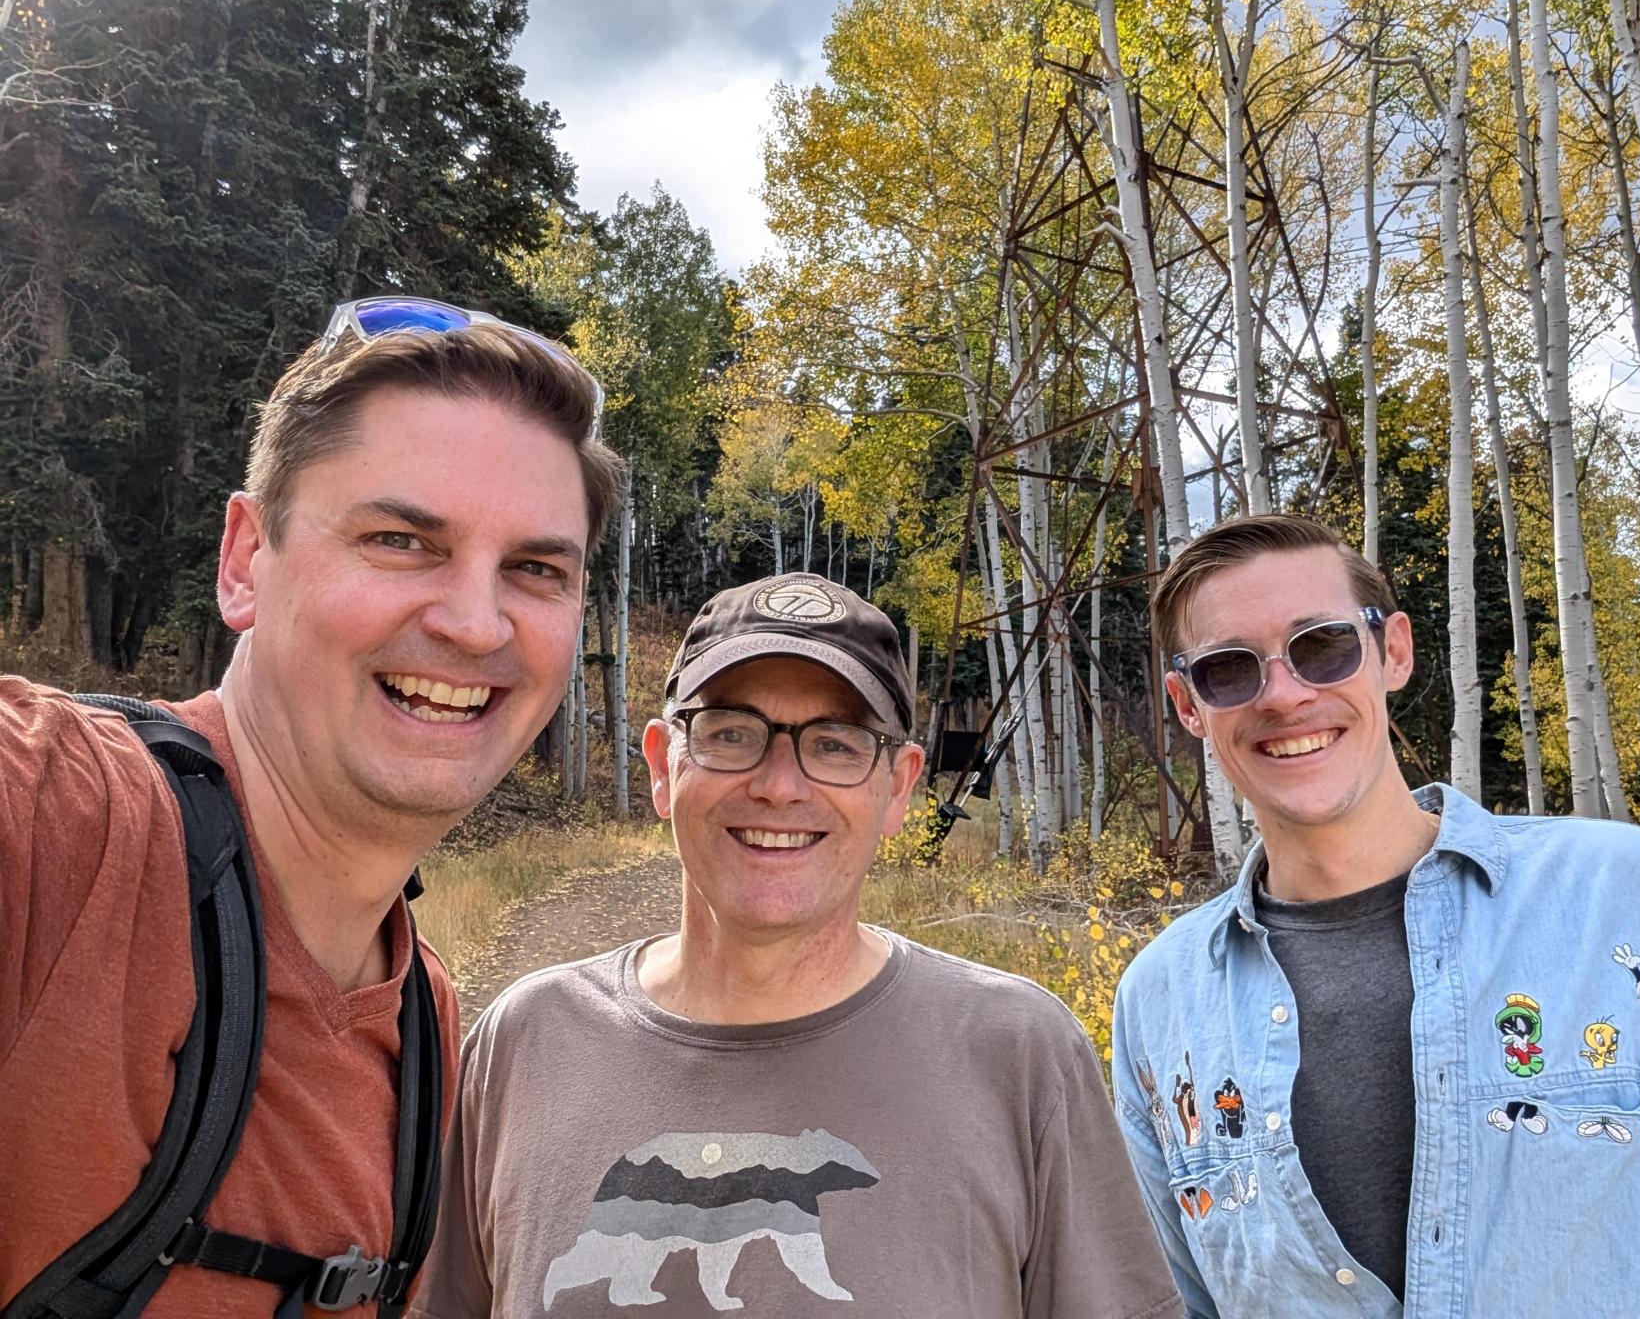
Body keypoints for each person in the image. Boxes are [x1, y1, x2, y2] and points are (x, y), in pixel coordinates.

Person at [1, 296, 625, 1316]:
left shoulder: (425, 1025)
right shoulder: (58, 816)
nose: (475, 623)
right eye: (400, 539)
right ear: (246, 560)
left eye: (535, 568)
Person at [410, 572, 1183, 1319]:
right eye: (732, 733)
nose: (780, 784)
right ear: (660, 765)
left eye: (838, 744)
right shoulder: (525, 1042)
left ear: (899, 788)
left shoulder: (1018, 1056)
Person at [1111, 512, 1640, 1316]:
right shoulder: (1161, 1003)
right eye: (1229, 669)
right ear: (1187, 704)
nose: (1284, 694)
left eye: (1321, 645)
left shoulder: (1631, 899)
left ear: (1393, 651)